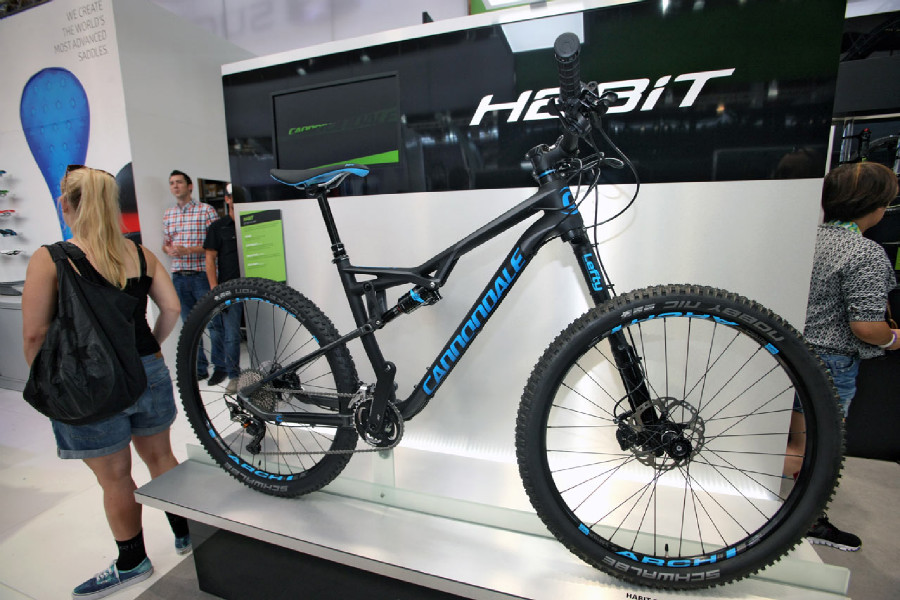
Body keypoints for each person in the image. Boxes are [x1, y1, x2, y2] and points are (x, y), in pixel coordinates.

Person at [21, 165, 192, 599]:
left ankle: (132, 562)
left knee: (116, 477)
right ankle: (189, 534)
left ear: (65, 204)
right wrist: (151, 349)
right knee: (161, 457)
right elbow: (171, 308)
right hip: (147, 370)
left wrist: (51, 384)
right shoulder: (140, 254)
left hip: (88, 381)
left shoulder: (51, 259)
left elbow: (35, 335)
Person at [792, 161, 900, 551]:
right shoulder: (865, 253)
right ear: (878, 206)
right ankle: (807, 521)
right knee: (816, 452)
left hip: (789, 352)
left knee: (797, 445)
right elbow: (866, 326)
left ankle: (797, 515)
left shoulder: (804, 240)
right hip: (830, 364)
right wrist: (893, 339)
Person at [162, 169, 218, 380]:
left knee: (213, 323)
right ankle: (200, 369)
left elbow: (215, 245)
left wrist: (189, 250)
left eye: (179, 182)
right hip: (179, 276)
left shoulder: (206, 211)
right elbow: (165, 244)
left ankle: (221, 367)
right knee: (190, 326)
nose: (175, 186)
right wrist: (169, 250)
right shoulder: (169, 214)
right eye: (172, 183)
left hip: (201, 274)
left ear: (190, 186)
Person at [204, 184, 243, 392]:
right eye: (232, 196)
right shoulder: (218, 227)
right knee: (232, 334)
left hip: (259, 286)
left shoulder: (253, 222)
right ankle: (234, 376)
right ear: (227, 199)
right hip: (230, 288)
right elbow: (210, 258)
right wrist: (214, 288)